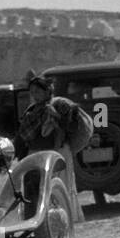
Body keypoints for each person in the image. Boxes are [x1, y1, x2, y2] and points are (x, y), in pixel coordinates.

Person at [16, 71, 82, 199]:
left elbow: (70, 127)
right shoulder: (31, 111)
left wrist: (55, 116)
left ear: (47, 91)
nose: (34, 95)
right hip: (36, 154)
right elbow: (23, 135)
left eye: (37, 92)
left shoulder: (61, 105)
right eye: (32, 92)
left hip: (58, 153)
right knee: (39, 189)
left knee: (61, 188)